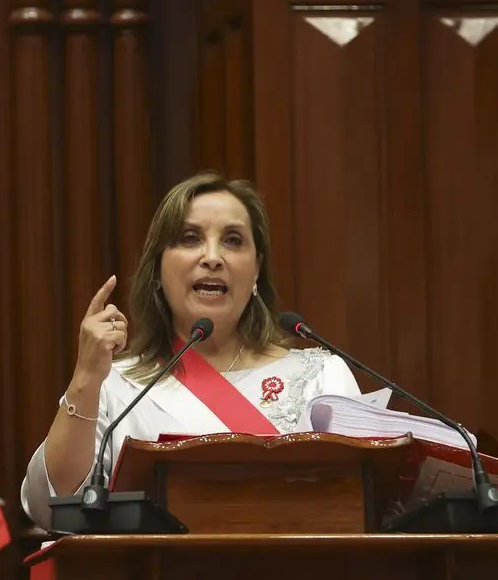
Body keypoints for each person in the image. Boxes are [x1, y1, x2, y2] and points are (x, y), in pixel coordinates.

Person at [19, 171, 363, 530]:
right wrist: (86, 378)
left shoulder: (323, 378)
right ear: (157, 268)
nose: (212, 257)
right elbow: (50, 506)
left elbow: (363, 508)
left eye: (232, 240)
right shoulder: (116, 386)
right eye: (189, 238)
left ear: (257, 268)